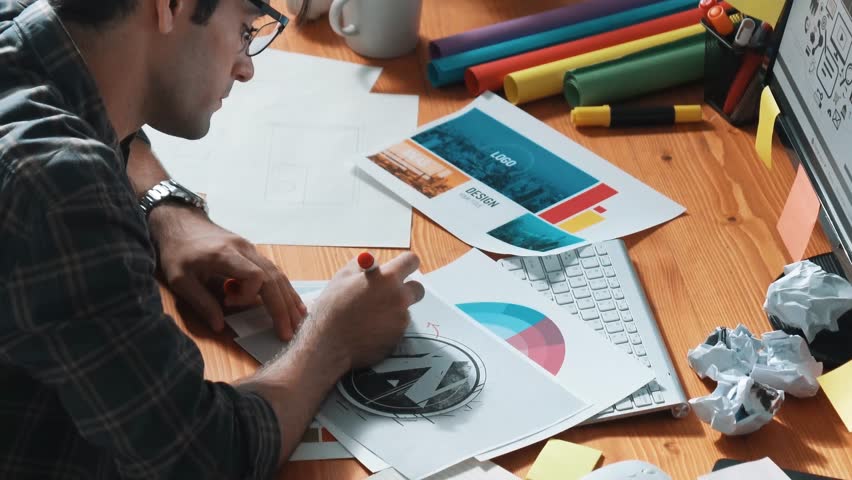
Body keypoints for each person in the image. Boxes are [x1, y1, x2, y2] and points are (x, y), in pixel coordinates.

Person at [0, 0, 425, 478]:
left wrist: (166, 211)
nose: (246, 69)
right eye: (246, 30)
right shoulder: (58, 192)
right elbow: (202, 456)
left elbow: (107, 109)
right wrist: (333, 339)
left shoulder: (27, 29)